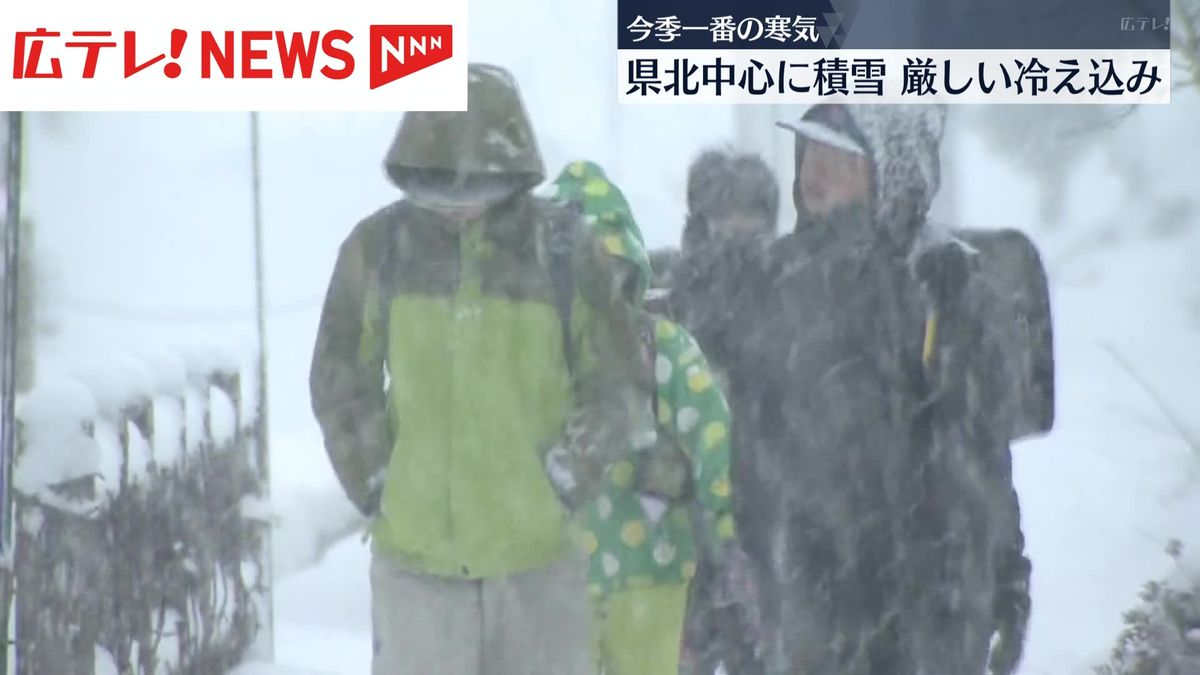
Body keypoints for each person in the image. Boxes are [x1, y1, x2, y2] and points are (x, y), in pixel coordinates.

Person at [309, 63, 650, 675]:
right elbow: (340, 380)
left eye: (475, 188)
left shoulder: (566, 251)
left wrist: (565, 478)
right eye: (440, 185)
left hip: (539, 563)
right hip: (415, 568)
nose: (458, 205)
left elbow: (617, 381)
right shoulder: (378, 248)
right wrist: (379, 480)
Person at [549, 160, 742, 675]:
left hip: (648, 574)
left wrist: (732, 530)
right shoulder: (532, 355)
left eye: (609, 269)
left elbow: (714, 439)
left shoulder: (662, 346)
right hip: (561, 577)